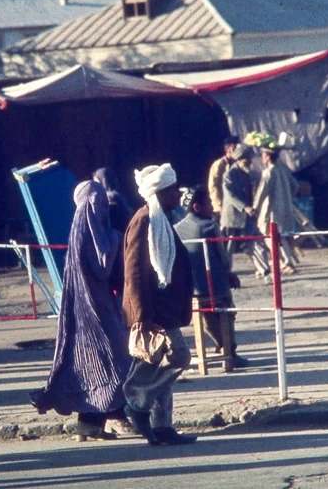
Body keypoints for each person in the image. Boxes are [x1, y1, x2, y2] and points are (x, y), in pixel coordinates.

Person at [29, 181, 134, 441]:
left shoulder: (83, 228)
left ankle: (91, 424)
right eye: (98, 202)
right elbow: (102, 265)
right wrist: (115, 238)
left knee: (95, 365)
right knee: (116, 360)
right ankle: (108, 418)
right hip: (92, 311)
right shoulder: (90, 231)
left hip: (91, 309)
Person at [122, 163, 197, 446]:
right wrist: (142, 314)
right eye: (174, 190)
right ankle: (135, 401)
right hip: (155, 311)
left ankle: (162, 426)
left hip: (166, 308)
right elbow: (135, 272)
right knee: (178, 356)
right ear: (161, 193)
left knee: (160, 362)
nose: (179, 195)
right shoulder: (144, 220)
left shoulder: (161, 219)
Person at [174, 186, 249, 368]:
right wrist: (230, 275)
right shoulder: (208, 227)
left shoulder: (176, 228)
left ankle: (221, 344)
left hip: (190, 290)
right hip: (214, 287)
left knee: (206, 316)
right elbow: (223, 259)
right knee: (227, 311)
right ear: (197, 207)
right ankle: (230, 351)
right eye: (209, 203)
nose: (213, 208)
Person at [222, 144, 272, 282]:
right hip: (233, 217)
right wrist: (245, 207)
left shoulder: (247, 174)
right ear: (239, 159)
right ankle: (225, 275)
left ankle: (265, 272)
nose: (250, 161)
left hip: (248, 217)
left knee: (257, 243)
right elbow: (230, 195)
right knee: (228, 249)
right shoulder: (229, 174)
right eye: (247, 159)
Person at [254, 144, 299, 275]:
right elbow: (295, 186)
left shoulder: (268, 173)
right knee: (281, 237)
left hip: (272, 211)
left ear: (267, 157)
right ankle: (283, 261)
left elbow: (262, 192)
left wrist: (255, 208)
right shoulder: (283, 170)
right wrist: (289, 198)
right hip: (286, 208)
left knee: (273, 237)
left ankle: (286, 262)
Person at [208, 136, 240, 230]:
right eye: (234, 148)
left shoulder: (236, 164)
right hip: (221, 207)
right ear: (228, 149)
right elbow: (213, 187)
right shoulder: (219, 165)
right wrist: (219, 206)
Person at [92, 167, 135, 234]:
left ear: (104, 181)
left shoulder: (109, 200)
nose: (96, 187)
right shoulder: (120, 196)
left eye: (97, 183)